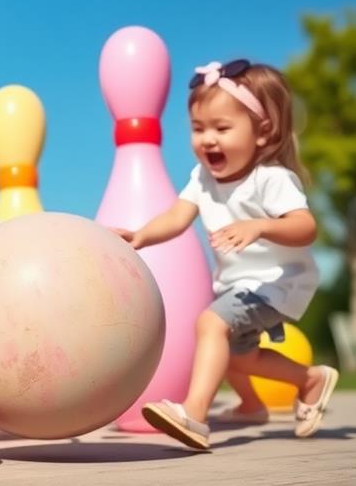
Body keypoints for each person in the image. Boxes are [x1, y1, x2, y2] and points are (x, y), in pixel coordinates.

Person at [114, 60, 338, 450]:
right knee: (237, 357)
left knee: (211, 325)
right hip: (240, 285)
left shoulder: (270, 179)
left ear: (263, 132)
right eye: (199, 129)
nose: (207, 140)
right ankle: (304, 383)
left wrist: (261, 226)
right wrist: (140, 236)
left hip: (277, 282)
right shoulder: (202, 178)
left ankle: (195, 415)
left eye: (222, 128)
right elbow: (176, 217)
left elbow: (306, 227)